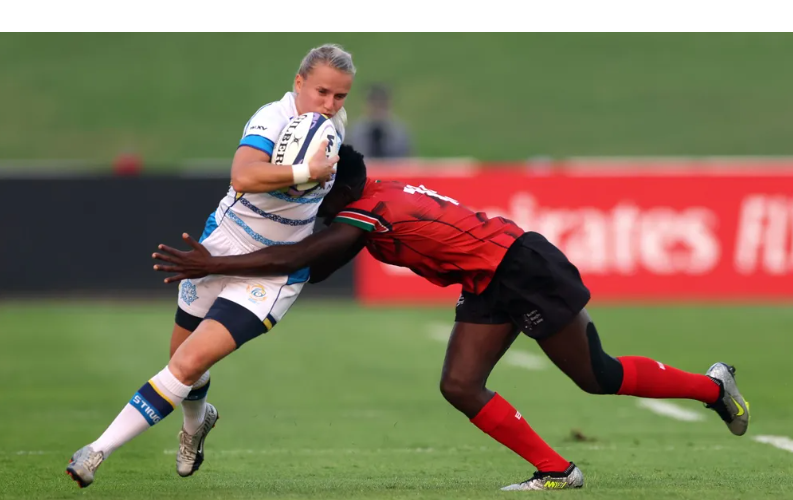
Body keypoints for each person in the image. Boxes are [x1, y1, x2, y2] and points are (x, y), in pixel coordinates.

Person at [152, 145, 750, 491]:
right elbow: (315, 265)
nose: (307, 199)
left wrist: (218, 263)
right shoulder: (366, 203)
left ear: (337, 193)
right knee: (459, 384)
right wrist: (243, 279)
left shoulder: (369, 208)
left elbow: (306, 256)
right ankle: (557, 470)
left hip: (522, 266)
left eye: (314, 192)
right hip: (488, 276)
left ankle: (711, 386)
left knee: (595, 374)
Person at [66, 44, 356, 488]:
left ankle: (96, 451)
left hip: (272, 271)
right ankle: (198, 422)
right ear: (298, 83)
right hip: (221, 245)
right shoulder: (271, 118)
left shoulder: (334, 125)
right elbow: (243, 176)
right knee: (182, 363)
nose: (330, 104)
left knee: (187, 364)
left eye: (340, 96)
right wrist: (304, 172)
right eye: (321, 92)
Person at [346, 84, 412, 159]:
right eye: (375, 106)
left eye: (381, 106)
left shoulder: (400, 134)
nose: (378, 111)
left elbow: (407, 163)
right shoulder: (354, 133)